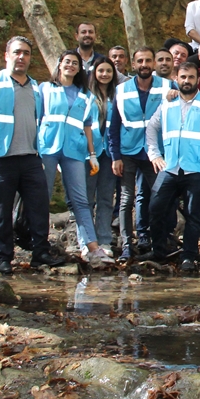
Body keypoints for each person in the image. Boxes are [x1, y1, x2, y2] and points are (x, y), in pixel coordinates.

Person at [0, 36, 65, 274]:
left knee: (38, 208)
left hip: (30, 158)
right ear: (7, 55)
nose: (22, 57)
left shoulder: (35, 87)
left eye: (26, 53)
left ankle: (40, 252)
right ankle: (3, 258)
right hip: (0, 160)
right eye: (17, 52)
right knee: (2, 210)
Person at [38, 50, 111, 266]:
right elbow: (36, 117)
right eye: (67, 62)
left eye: (75, 63)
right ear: (59, 65)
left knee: (81, 199)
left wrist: (92, 154)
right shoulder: (45, 89)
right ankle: (39, 243)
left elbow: (87, 125)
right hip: (47, 148)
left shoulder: (85, 95)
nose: (70, 65)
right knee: (43, 195)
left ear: (80, 68)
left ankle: (93, 247)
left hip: (74, 150)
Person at [146, 61, 200, 271]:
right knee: (155, 208)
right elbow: (151, 128)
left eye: (191, 77)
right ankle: (159, 251)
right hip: (170, 167)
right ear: (177, 79)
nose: (186, 81)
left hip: (197, 168)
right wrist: (154, 154)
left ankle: (188, 257)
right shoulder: (168, 103)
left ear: (197, 80)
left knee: (194, 215)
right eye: (183, 77)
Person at [108, 46, 170, 262]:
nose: (144, 65)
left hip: (156, 154)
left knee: (158, 198)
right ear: (133, 65)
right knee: (126, 199)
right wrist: (115, 155)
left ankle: (154, 240)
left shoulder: (167, 86)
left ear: (153, 64)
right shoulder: (122, 89)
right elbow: (113, 125)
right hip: (128, 152)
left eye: (147, 61)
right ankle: (127, 244)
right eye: (140, 61)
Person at [86, 60, 119, 255]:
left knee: (106, 197)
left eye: (108, 71)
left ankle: (105, 239)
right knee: (88, 198)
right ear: (94, 73)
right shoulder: (87, 96)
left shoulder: (117, 96)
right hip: (90, 153)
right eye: (101, 71)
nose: (105, 74)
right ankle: (87, 240)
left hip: (110, 153)